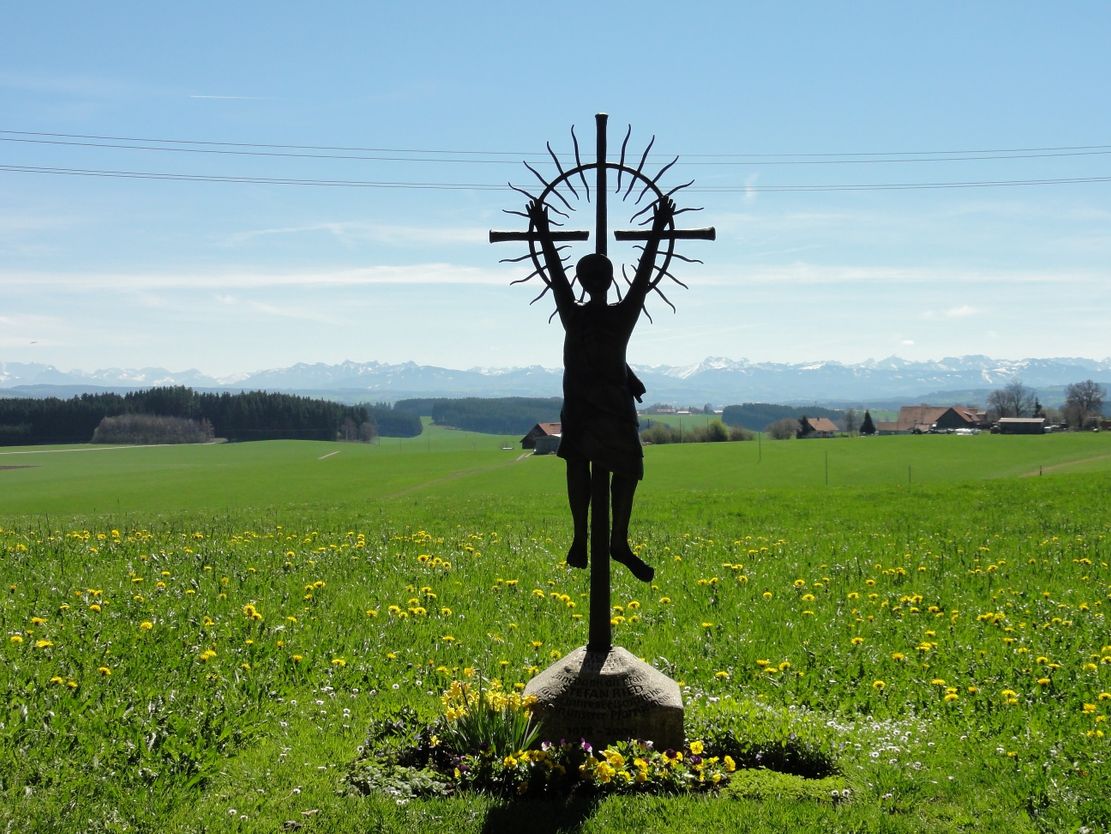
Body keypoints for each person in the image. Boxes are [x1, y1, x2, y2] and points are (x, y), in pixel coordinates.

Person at [526, 196, 675, 583]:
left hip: (590, 405)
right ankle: (601, 539)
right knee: (608, 465)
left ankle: (598, 539)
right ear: (607, 282)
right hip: (601, 406)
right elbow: (642, 277)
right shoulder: (619, 315)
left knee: (609, 465)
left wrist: (542, 230)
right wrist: (658, 228)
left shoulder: (574, 315)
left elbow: (556, 274)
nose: (594, 284)